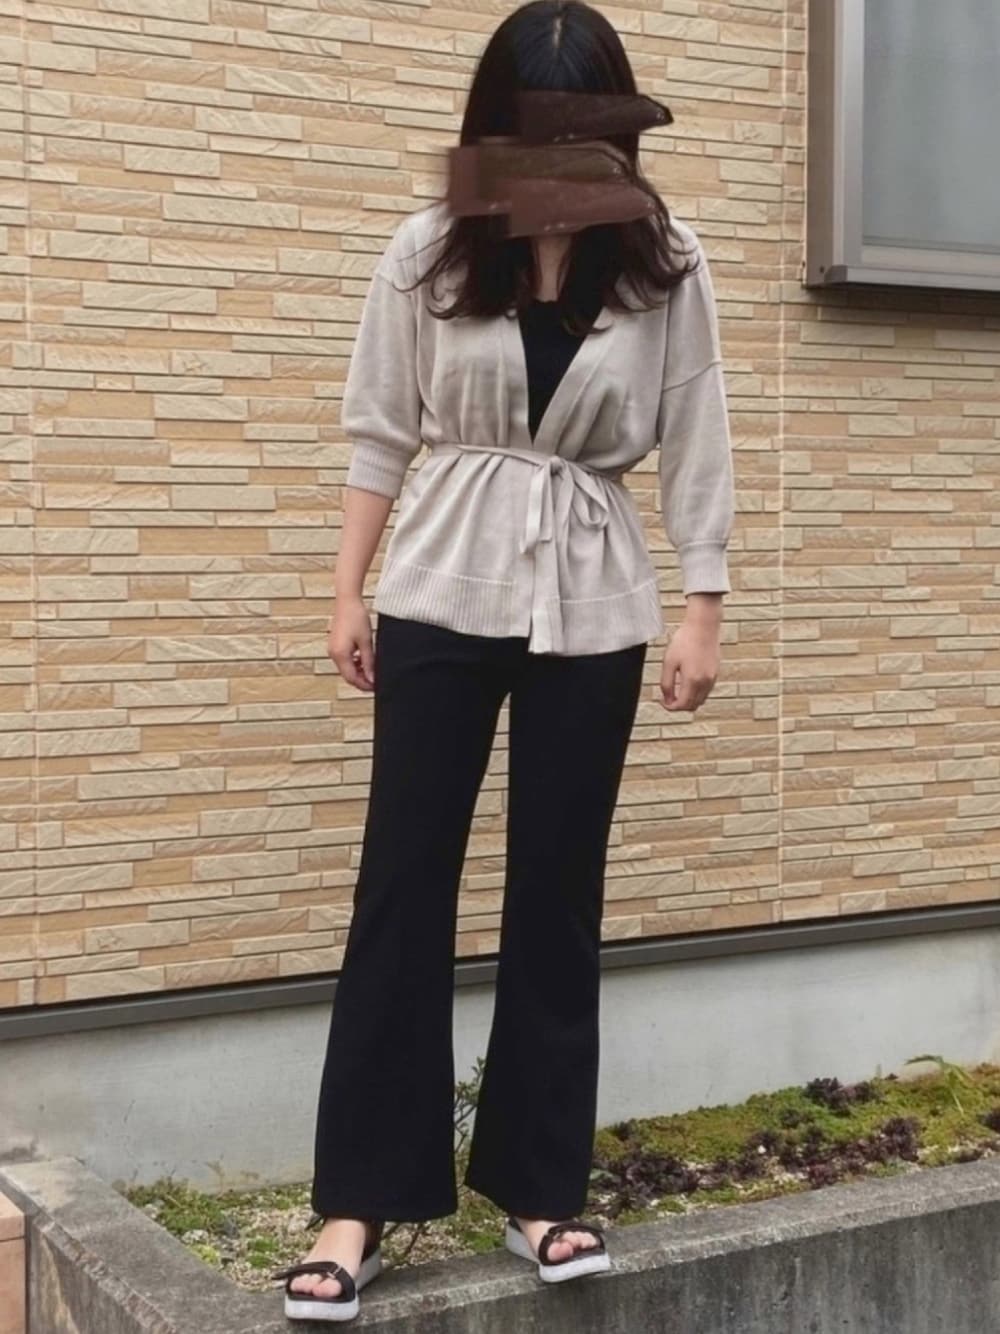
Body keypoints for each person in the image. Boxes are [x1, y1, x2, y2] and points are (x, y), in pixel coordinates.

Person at [270, 0, 734, 1322]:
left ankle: (539, 1186)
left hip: (594, 599)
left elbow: (699, 427)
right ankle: (360, 1200)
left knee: (558, 890)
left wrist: (703, 604)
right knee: (402, 882)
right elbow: (380, 429)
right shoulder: (429, 248)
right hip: (441, 588)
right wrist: (346, 590)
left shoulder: (664, 262)